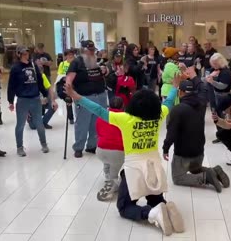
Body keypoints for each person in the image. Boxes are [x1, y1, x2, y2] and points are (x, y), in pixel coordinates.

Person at [64, 74, 185, 236]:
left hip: (134, 167)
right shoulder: (159, 116)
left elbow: (98, 110)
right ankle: (166, 208)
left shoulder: (125, 119)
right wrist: (175, 87)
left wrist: (76, 96)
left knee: (124, 207)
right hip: (154, 165)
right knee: (155, 197)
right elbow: (168, 103)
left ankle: (151, 214)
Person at [163, 80, 229, 192]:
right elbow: (203, 87)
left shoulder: (177, 109)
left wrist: (166, 148)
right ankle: (214, 171)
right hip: (199, 152)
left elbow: (171, 134)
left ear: (181, 92)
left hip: (183, 153)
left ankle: (206, 178)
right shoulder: (201, 106)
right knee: (194, 169)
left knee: (178, 178)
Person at [7, 46, 53, 157]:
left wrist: (45, 94)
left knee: (39, 123)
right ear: (18, 54)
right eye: (23, 53)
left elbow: (39, 81)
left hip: (35, 98)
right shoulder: (15, 68)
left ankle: (44, 144)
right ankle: (19, 147)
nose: (25, 55)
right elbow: (11, 85)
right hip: (22, 99)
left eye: (27, 53)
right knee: (20, 124)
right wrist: (10, 101)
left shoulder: (33, 65)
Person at [65, 40, 107, 158]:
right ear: (83, 50)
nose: (92, 52)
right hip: (84, 97)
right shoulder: (76, 62)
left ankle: (92, 145)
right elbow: (69, 79)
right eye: (90, 50)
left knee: (96, 123)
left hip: (100, 95)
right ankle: (78, 147)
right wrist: (69, 93)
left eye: (93, 50)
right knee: (82, 123)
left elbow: (102, 74)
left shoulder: (96, 61)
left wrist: (105, 71)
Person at [95, 96, 125, 201]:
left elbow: (98, 133)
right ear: (123, 106)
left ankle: (107, 177)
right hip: (118, 152)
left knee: (107, 160)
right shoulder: (125, 117)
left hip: (100, 150)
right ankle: (112, 185)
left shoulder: (102, 116)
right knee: (115, 169)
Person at [206, 53, 231, 144]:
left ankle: (225, 135)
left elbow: (223, 86)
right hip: (214, 96)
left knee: (223, 117)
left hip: (223, 97)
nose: (213, 65)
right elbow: (204, 80)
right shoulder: (213, 70)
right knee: (215, 115)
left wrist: (212, 81)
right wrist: (210, 77)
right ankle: (220, 134)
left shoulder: (226, 72)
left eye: (215, 64)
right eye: (212, 63)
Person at [28, 58, 59, 129]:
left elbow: (50, 88)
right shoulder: (29, 79)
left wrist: (53, 101)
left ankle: (43, 122)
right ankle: (34, 120)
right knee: (33, 126)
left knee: (54, 106)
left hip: (42, 100)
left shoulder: (43, 76)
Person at [57, 49, 76, 124]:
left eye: (72, 54)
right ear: (66, 56)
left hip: (75, 82)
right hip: (65, 82)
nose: (70, 56)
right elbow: (60, 73)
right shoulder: (62, 64)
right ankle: (70, 117)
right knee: (68, 100)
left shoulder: (76, 63)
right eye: (69, 55)